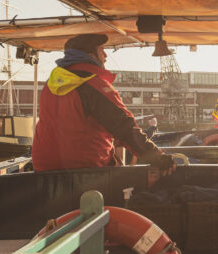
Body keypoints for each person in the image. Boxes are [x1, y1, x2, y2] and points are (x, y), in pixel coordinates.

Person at [32, 34, 176, 175]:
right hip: (84, 171)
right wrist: (157, 157)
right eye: (102, 51)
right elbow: (125, 128)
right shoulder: (94, 86)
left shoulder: (50, 85)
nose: (106, 56)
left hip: (43, 170)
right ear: (90, 55)